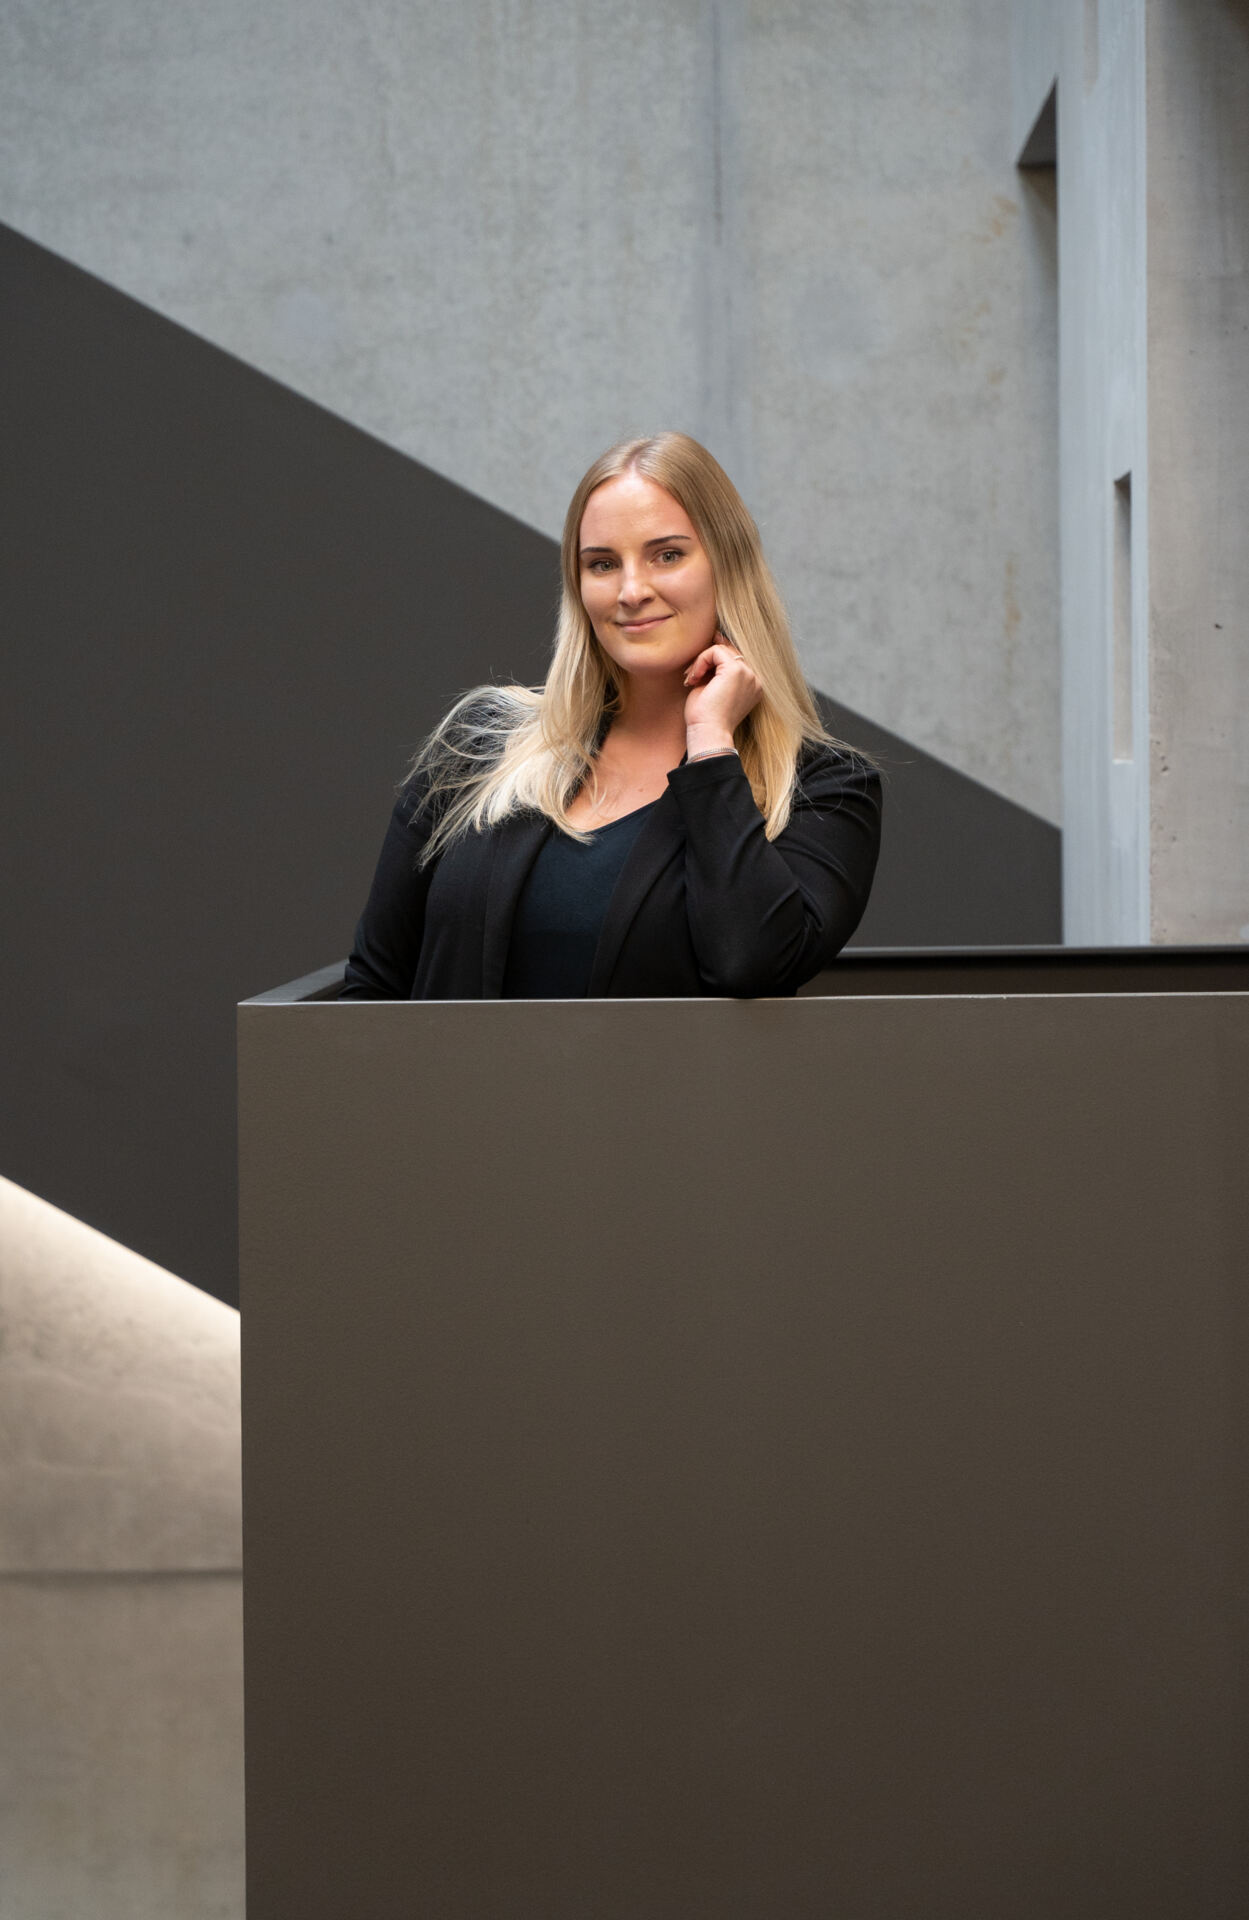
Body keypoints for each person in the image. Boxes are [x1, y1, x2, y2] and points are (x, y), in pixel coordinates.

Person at [341, 431, 881, 1001]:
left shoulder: (825, 789)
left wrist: (711, 743)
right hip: (458, 1093)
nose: (630, 590)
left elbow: (751, 963)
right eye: (602, 564)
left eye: (667, 555)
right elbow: (372, 989)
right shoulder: (477, 749)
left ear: (729, 565)